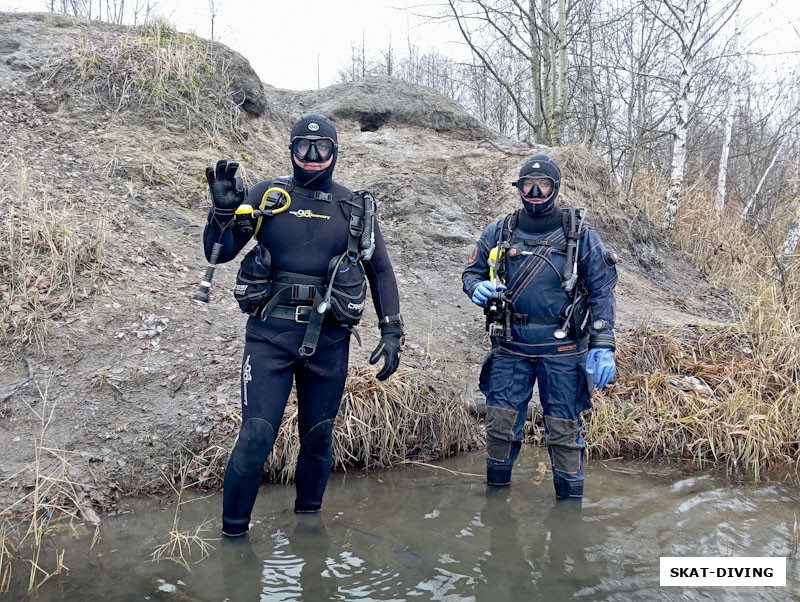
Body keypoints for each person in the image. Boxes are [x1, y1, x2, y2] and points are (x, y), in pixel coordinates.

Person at [203, 113, 404, 537]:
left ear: (335, 152)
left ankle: (309, 530)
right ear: (291, 150)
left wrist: (391, 331)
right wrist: (221, 212)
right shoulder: (267, 196)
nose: (313, 157)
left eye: (322, 148)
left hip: (329, 339)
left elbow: (380, 271)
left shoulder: (354, 207)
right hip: (269, 336)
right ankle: (233, 539)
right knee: (257, 436)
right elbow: (218, 254)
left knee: (317, 437)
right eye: (303, 148)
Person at [462, 154, 618, 499]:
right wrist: (476, 287)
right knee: (500, 428)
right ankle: (496, 504)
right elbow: (471, 272)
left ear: (555, 188)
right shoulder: (500, 230)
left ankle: (568, 513)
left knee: (564, 431)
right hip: (509, 346)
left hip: (563, 350)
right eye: (527, 185)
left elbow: (602, 290)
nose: (534, 191)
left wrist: (603, 342)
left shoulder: (579, 234)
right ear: (518, 188)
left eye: (542, 184)